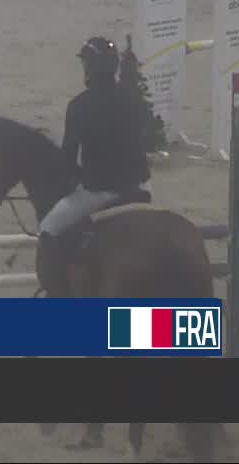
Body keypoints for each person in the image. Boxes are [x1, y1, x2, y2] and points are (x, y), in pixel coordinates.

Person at [37, 37, 151, 296]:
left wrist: (65, 183)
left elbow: (68, 159)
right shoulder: (133, 99)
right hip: (141, 187)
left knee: (48, 228)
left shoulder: (79, 106)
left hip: (100, 192)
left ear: (89, 68)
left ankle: (57, 292)